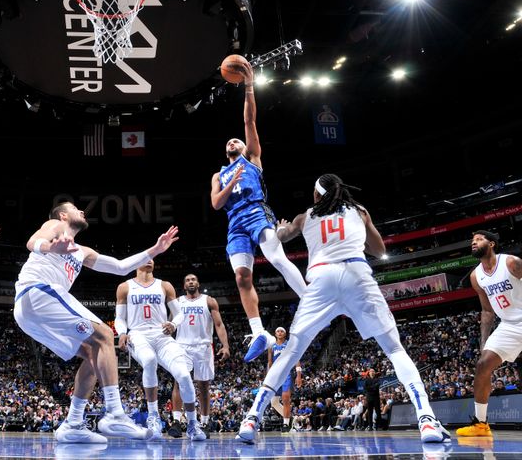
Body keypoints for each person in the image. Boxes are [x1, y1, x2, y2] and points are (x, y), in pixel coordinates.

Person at [235, 174, 449, 444]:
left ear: (316, 195)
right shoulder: (359, 211)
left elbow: (282, 236)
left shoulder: (306, 216)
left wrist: (281, 228)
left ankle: (252, 418)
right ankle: (426, 420)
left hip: (321, 279)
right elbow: (378, 248)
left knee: (290, 353)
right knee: (394, 349)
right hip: (356, 273)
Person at [14, 202, 178, 444]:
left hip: (31, 311)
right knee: (103, 333)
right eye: (75, 208)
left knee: (94, 352)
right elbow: (32, 242)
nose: (81, 211)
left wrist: (154, 250)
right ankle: (114, 412)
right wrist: (49, 246)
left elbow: (121, 267)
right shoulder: (56, 226)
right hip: (37, 291)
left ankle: (73, 423)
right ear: (63, 214)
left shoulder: (83, 251)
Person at [210, 58, 307, 362]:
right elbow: (216, 203)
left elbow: (249, 122)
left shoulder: (251, 158)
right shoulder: (219, 175)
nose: (233, 141)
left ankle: (309, 298)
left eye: (235, 140)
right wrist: (230, 183)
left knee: (276, 256)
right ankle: (259, 332)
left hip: (256, 212)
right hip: (234, 223)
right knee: (241, 277)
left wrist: (249, 87)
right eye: (229, 141)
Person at [115, 262, 207, 442]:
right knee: (149, 360)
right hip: (138, 334)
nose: (150, 260)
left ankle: (192, 424)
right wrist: (122, 333)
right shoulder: (125, 287)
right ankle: (153, 417)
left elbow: (179, 314)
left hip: (162, 336)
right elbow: (119, 317)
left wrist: (173, 324)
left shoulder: (164, 285)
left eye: (153, 257)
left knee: (183, 374)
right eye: (146, 256)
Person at [456, 230, 522, 437]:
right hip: (509, 324)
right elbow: (486, 311)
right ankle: (481, 424)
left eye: (478, 239)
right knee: (483, 365)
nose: (473, 243)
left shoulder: (512, 263)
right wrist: (484, 343)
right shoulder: (476, 276)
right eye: (472, 241)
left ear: (492, 244)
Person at [170, 273, 230, 435]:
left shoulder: (209, 300)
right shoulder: (177, 302)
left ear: (198, 283)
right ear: (184, 286)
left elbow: (219, 324)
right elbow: (170, 325)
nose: (190, 282)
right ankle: (176, 421)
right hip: (182, 345)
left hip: (203, 346)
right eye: (187, 280)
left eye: (193, 279)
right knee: (178, 381)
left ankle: (204, 422)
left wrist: (225, 345)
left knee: (203, 385)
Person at [266, 327, 302, 432]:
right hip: (275, 374)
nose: (280, 332)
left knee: (286, 399)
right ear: (275, 333)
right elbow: (269, 362)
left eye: (282, 331)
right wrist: (269, 376)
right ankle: (291, 419)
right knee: (274, 403)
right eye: (278, 331)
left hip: (286, 373)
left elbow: (296, 359)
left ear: (285, 334)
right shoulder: (271, 346)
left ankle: (286, 424)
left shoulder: (289, 345)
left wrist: (299, 375)